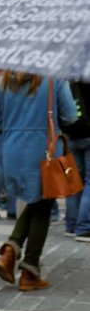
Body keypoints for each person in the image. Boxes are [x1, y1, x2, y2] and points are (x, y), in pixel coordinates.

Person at [0, 72, 77, 290]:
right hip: (42, 149)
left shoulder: (4, 81)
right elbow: (70, 116)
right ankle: (29, 270)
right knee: (43, 206)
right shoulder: (54, 78)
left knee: (36, 202)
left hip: (12, 150)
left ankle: (11, 250)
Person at [62, 81, 90, 241]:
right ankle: (85, 227)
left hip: (72, 134)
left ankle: (71, 225)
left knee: (74, 181)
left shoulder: (71, 79)